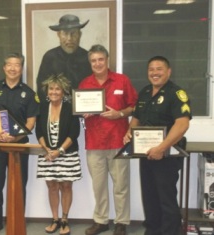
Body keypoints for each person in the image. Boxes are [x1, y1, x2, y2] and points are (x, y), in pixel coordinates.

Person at [123, 56, 192, 235]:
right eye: (151, 69)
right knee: (149, 195)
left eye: (159, 69)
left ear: (168, 72)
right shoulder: (145, 92)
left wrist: (161, 148)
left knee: (166, 197)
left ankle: (170, 231)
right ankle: (153, 230)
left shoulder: (176, 93)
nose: (155, 73)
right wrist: (129, 133)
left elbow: (182, 124)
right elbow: (136, 118)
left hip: (167, 154)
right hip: (146, 153)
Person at [0, 52, 40, 235]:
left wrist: (16, 138)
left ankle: (18, 219)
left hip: (19, 147)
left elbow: (30, 122)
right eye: (9, 65)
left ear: (21, 68)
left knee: (19, 185)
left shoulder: (29, 93)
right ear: (4, 68)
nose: (13, 68)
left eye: (17, 65)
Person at [79, 44, 138, 235]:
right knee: (99, 186)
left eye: (100, 59)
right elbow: (80, 110)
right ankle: (101, 221)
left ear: (107, 60)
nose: (97, 63)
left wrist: (120, 113)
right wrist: (84, 113)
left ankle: (121, 222)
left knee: (121, 185)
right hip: (94, 143)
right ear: (90, 63)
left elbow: (135, 107)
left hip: (118, 141)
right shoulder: (85, 84)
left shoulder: (122, 81)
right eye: (93, 60)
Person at [36, 74, 81, 235]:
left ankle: (65, 220)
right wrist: (46, 148)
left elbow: (74, 132)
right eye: (51, 89)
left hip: (67, 153)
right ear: (47, 91)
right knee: (52, 186)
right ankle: (54, 219)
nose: (54, 92)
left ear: (63, 92)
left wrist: (60, 151)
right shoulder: (41, 108)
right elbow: (39, 131)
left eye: (57, 89)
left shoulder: (70, 108)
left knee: (66, 185)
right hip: (47, 153)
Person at [36, 14, 92, 102]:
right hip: (56, 110)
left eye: (73, 33)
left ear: (80, 35)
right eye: (65, 34)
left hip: (82, 111)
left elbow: (94, 87)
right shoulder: (50, 57)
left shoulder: (87, 57)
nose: (69, 38)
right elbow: (42, 88)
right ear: (58, 34)